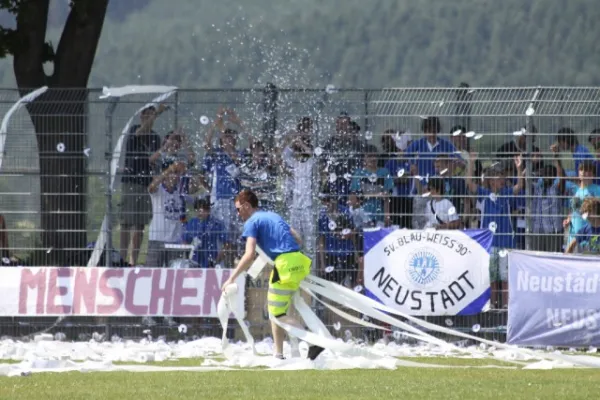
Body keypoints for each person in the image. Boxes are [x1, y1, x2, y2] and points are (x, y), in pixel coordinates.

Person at [221, 189, 324, 361]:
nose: (237, 213)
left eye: (238, 209)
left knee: (276, 314)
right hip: (299, 261)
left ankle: (312, 341)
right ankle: (278, 354)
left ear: (246, 206)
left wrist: (231, 278)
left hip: (284, 266)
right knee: (276, 311)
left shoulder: (252, 222)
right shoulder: (272, 215)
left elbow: (249, 254)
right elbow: (297, 238)